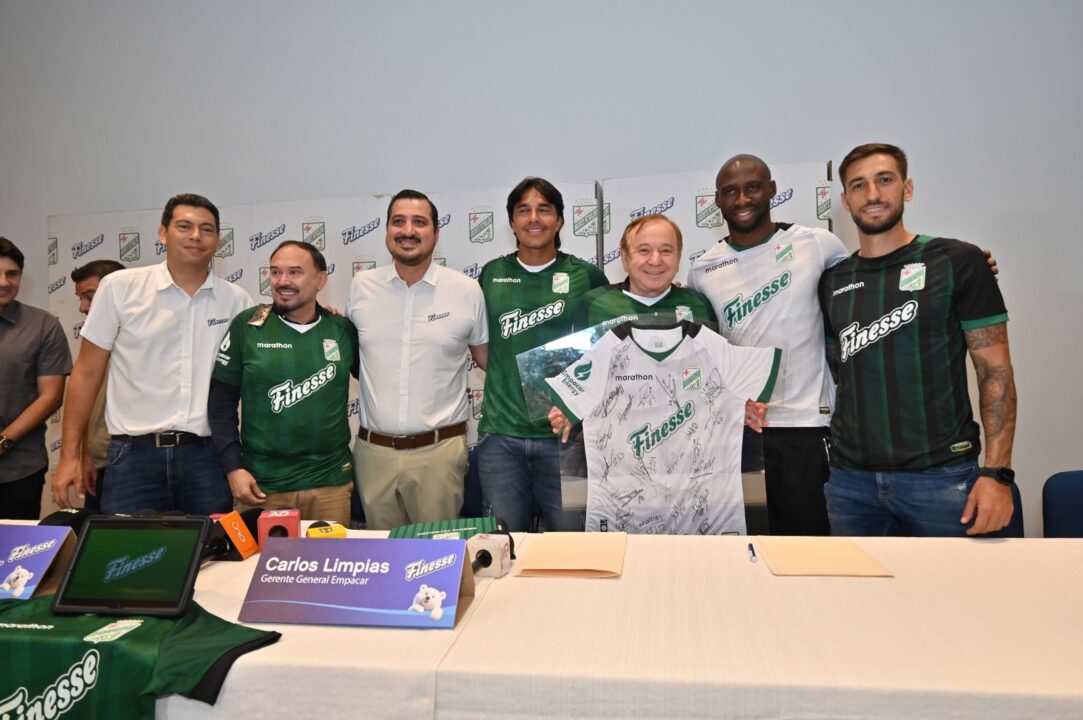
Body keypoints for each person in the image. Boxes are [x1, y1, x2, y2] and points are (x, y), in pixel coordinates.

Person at [818, 143, 1017, 537]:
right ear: (845, 201)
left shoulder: (957, 261)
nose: (872, 194)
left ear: (906, 188)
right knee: (852, 582)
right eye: (859, 185)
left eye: (884, 180)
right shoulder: (833, 281)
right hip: (851, 485)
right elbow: (840, 371)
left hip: (943, 478)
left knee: (954, 582)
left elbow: (995, 372)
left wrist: (997, 473)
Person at [52, 193, 253, 514]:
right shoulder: (120, 288)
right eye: (184, 226)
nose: (196, 236)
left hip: (206, 457)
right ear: (163, 233)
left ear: (218, 240)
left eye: (207, 229)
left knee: (211, 546)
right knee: (128, 547)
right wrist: (69, 457)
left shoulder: (237, 301)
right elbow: (86, 373)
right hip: (133, 457)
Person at [689, 155, 847, 536]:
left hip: (805, 428)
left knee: (808, 549)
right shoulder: (702, 270)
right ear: (717, 200)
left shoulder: (817, 244)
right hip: (739, 432)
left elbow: (871, 275)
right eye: (731, 191)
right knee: (746, 546)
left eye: (753, 187)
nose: (743, 199)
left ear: (772, 189)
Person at [347, 190, 488, 529]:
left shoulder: (466, 290)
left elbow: (488, 362)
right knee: (381, 556)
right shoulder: (361, 287)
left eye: (419, 222)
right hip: (374, 455)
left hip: (439, 455)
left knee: (436, 556)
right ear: (387, 230)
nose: (408, 231)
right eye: (398, 221)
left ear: (436, 233)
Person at [477, 177, 608, 532]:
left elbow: (609, 339)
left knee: (572, 544)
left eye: (544, 209)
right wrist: (511, 378)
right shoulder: (491, 275)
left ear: (559, 220)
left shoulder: (586, 276)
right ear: (512, 222)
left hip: (564, 437)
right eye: (524, 210)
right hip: (501, 437)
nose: (534, 218)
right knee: (502, 543)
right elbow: (481, 348)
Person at [209, 241, 358, 525]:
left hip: (330, 484)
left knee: (330, 555)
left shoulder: (341, 329)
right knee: (260, 557)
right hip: (262, 486)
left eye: (295, 272)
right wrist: (233, 468)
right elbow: (220, 406)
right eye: (276, 272)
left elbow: (379, 384)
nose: (282, 281)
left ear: (320, 280)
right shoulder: (247, 326)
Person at [0, 238, 72, 519]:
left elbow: (51, 396)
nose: (4, 282)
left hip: (19, 470)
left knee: (14, 546)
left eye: (12, 274)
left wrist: (2, 443)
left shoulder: (43, 325)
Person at [573, 214, 718, 332]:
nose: (655, 261)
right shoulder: (595, 304)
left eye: (666, 251)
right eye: (644, 250)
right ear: (625, 258)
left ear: (678, 258)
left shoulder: (699, 305)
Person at [70, 259, 125, 512]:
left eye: (90, 297)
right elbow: (88, 404)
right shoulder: (93, 343)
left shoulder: (139, 342)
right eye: (81, 298)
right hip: (99, 460)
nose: (83, 307)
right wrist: (86, 456)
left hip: (128, 459)